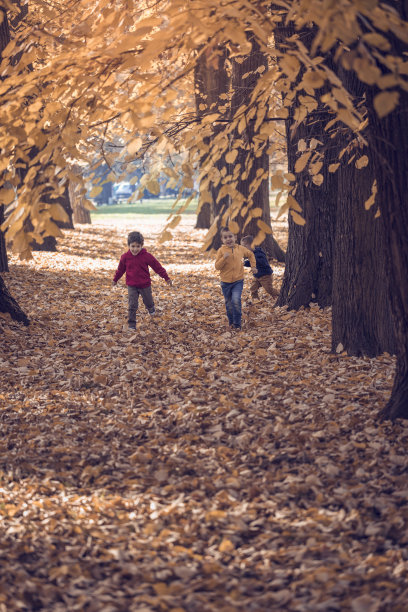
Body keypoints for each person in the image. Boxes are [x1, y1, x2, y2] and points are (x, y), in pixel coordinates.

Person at [112, 231, 172, 330]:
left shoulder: (147, 256)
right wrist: (115, 279)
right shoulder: (125, 257)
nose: (135, 249)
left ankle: (151, 308)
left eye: (138, 246)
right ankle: (132, 324)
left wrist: (166, 277)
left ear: (142, 246)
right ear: (129, 245)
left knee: (148, 301)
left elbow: (157, 267)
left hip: (145, 285)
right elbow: (120, 270)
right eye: (133, 246)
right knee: (132, 304)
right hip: (132, 285)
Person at [214, 227, 257, 330]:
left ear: (235, 237)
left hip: (238, 280)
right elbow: (217, 267)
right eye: (225, 237)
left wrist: (253, 266)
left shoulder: (240, 249)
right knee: (229, 304)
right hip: (225, 282)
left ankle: (237, 324)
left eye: (230, 236)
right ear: (222, 240)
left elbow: (250, 254)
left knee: (236, 301)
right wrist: (224, 258)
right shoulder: (221, 251)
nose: (228, 239)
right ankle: (231, 323)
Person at [241, 235, 279, 300]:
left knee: (269, 290)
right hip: (257, 276)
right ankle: (255, 300)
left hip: (265, 276)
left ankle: (280, 294)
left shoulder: (259, 253)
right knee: (253, 288)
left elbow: (261, 261)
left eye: (245, 246)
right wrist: (244, 263)